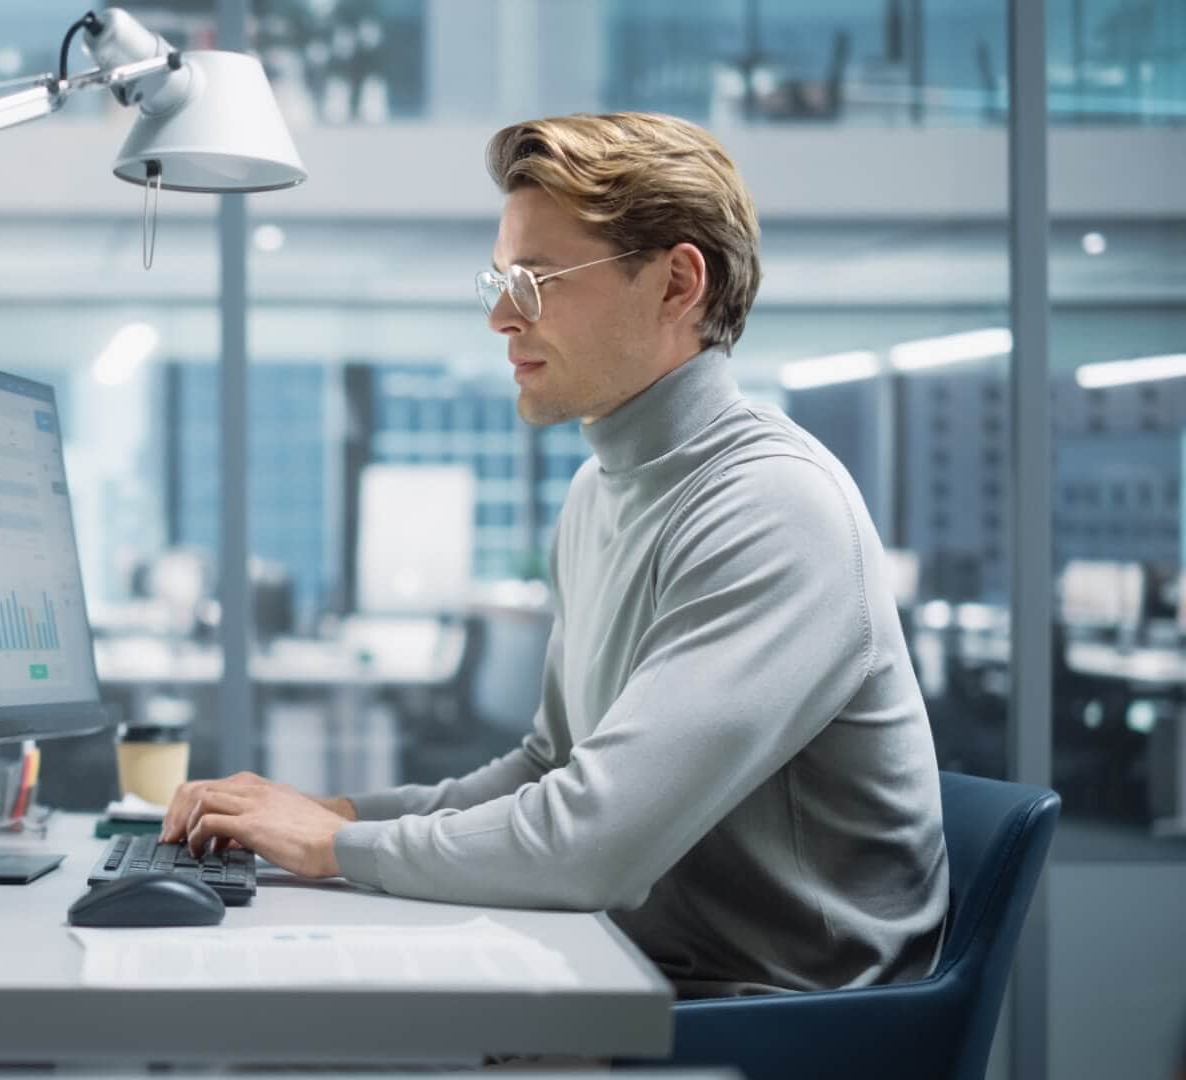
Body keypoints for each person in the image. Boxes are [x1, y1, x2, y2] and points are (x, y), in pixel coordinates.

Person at [161, 111, 948, 998]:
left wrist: (331, 846)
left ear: (676, 284)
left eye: (535, 281)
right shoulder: (600, 491)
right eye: (500, 281)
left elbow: (590, 847)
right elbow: (549, 769)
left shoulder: (770, 507)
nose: (501, 316)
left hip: (775, 1023)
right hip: (639, 967)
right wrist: (336, 814)